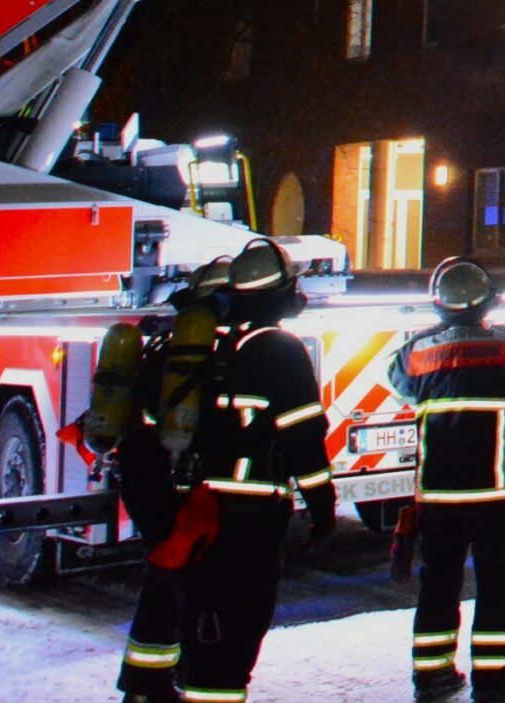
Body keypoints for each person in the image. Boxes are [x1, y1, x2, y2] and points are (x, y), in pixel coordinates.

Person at [174, 237, 336, 703]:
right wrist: (322, 509)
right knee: (239, 623)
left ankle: (193, 688)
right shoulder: (281, 350)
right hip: (250, 514)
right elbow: (304, 439)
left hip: (199, 504)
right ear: (280, 291)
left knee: (204, 614)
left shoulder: (215, 345)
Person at [389, 257, 505, 701]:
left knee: (438, 582)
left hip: (438, 494)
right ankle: (494, 677)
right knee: (500, 582)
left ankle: (431, 673)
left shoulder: (414, 351)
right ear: (486, 302)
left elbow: (396, 383)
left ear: (438, 303)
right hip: (496, 493)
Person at [110, 257, 230, 703]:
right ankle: (169, 685)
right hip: (182, 488)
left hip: (145, 479)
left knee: (162, 580)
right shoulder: (219, 352)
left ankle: (146, 685)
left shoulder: (164, 346)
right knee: (188, 588)